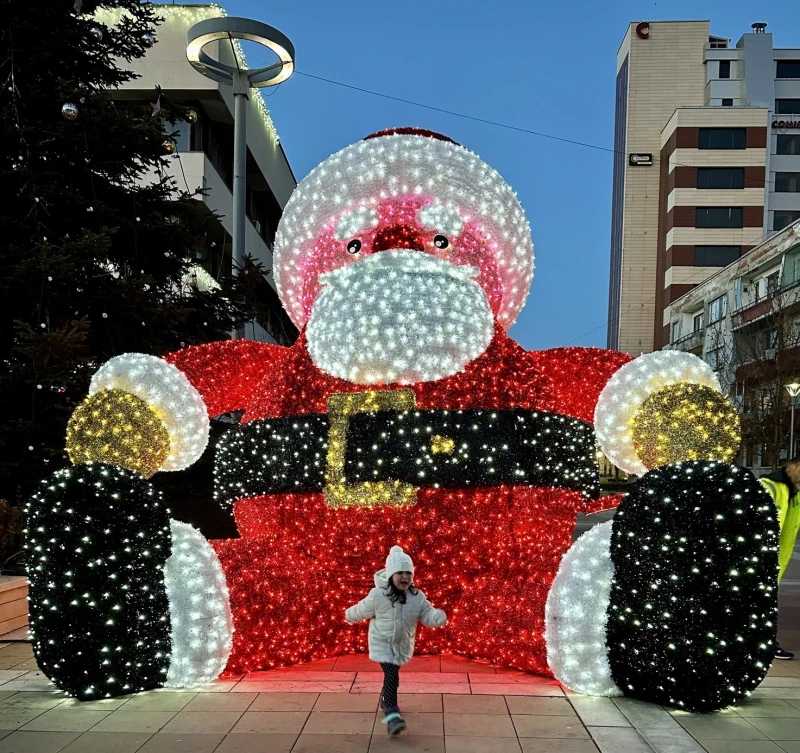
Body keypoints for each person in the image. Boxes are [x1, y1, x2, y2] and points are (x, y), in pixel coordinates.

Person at [345, 545, 447, 735]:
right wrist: (350, 615)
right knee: (391, 675)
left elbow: (426, 613)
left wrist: (436, 617)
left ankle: (385, 699)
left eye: (408, 573)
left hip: (401, 644)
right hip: (382, 643)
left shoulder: (416, 597)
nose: (404, 577)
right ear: (390, 574)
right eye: (400, 572)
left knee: (392, 674)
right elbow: (362, 609)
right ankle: (392, 713)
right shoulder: (378, 595)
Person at [760, 458, 800, 659]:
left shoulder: (794, 492)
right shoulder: (770, 487)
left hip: (774, 563)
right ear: (793, 467)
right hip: (759, 561)